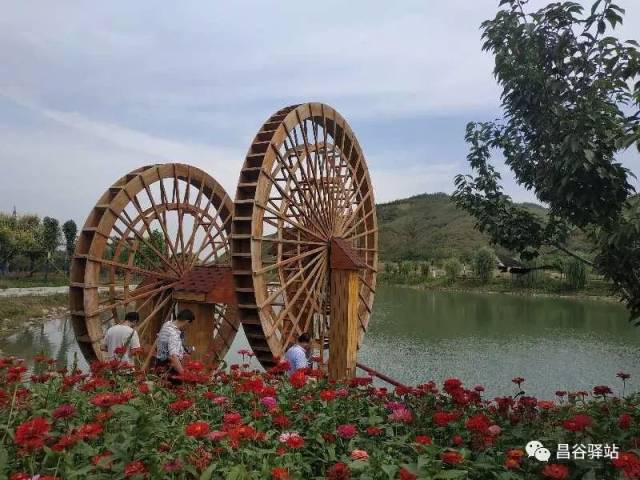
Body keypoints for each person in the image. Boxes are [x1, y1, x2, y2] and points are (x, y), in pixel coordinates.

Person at [153, 309, 195, 377]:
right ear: (187, 322)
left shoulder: (167, 325)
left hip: (159, 363)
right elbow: (173, 356)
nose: (189, 328)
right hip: (169, 367)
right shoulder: (173, 334)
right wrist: (184, 375)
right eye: (190, 325)